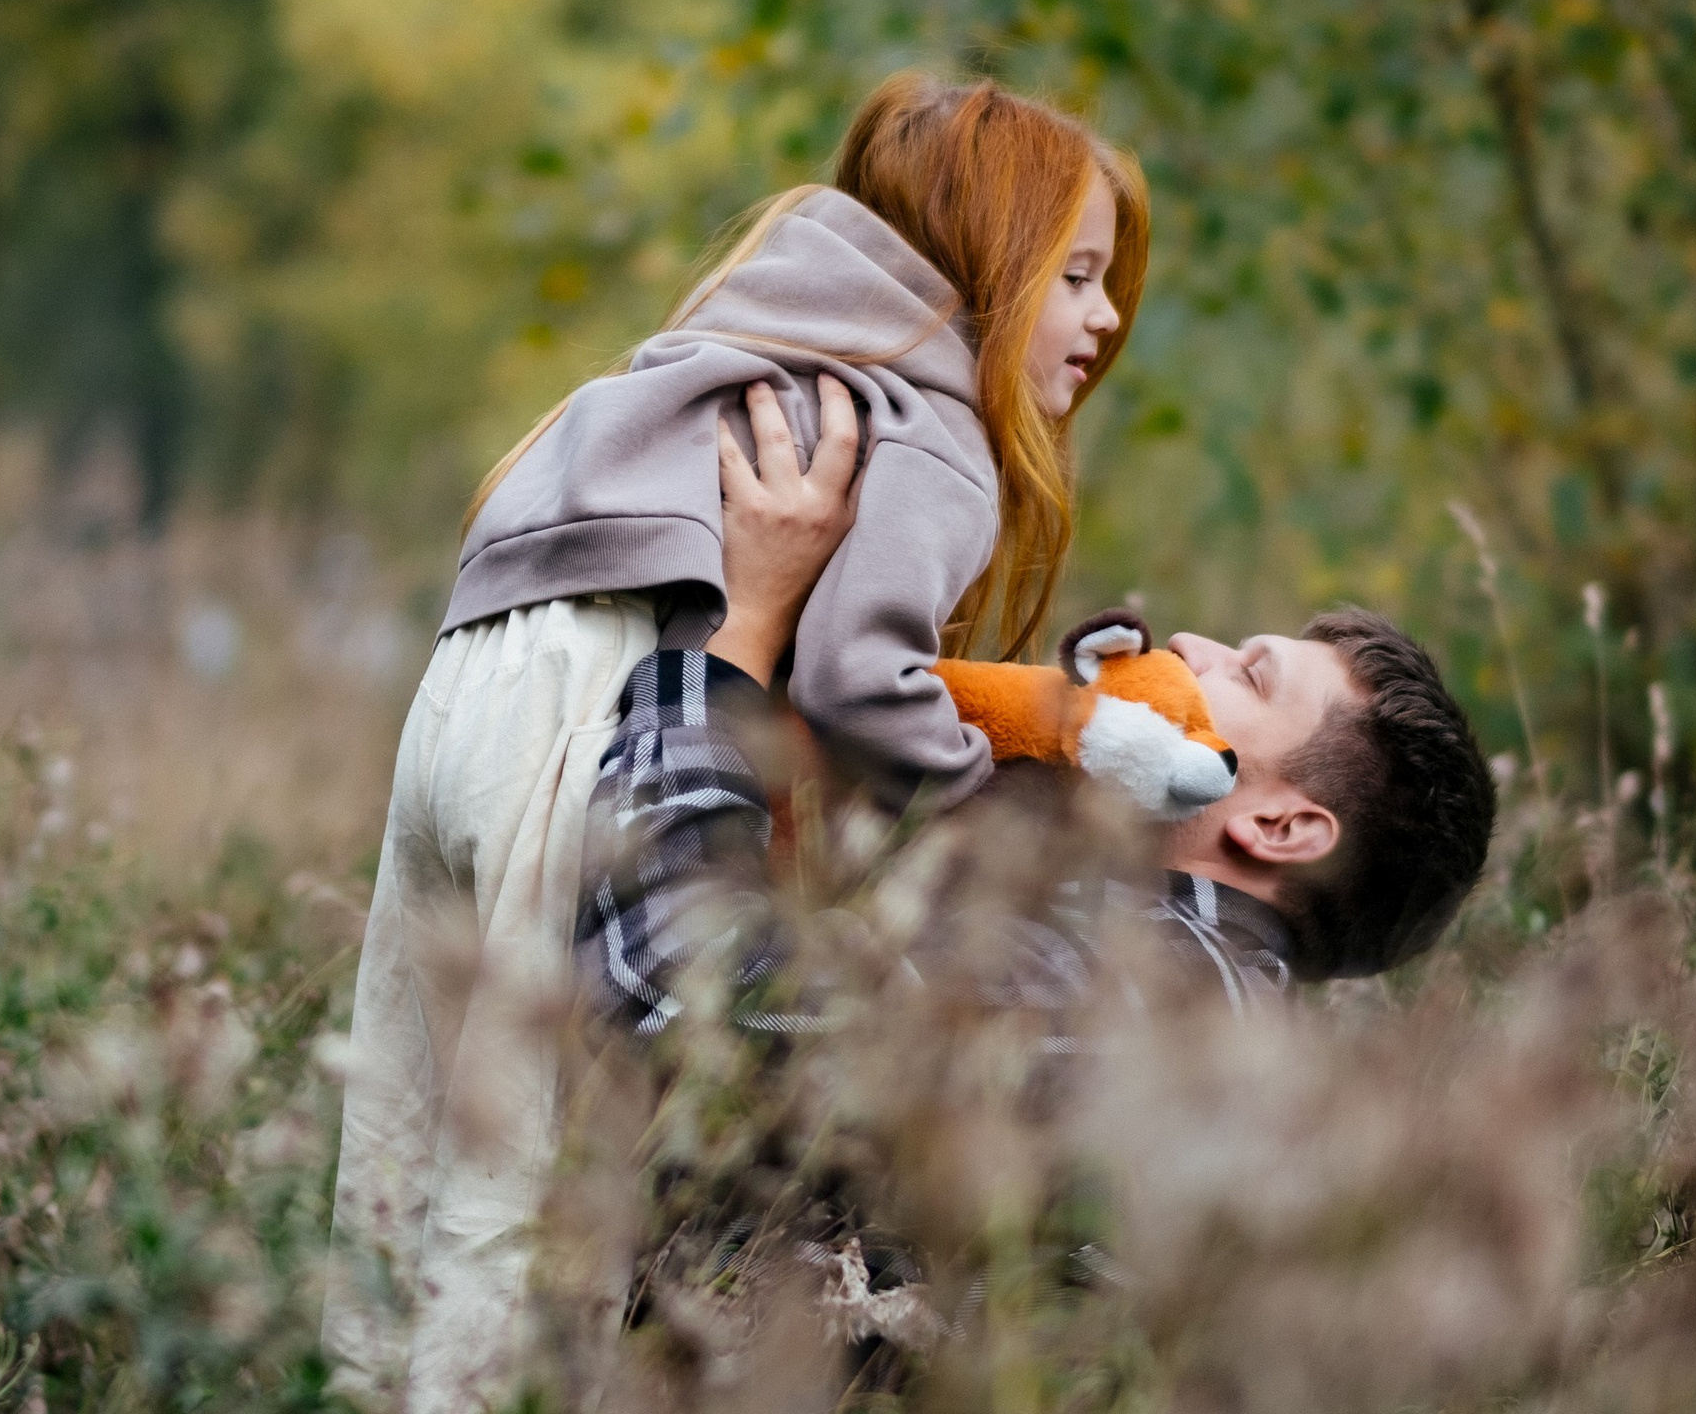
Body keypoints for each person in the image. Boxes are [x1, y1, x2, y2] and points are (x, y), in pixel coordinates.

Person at [327, 73, 1148, 1414]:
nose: (1105, 319)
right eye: (1073, 277)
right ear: (990, 269)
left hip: (470, 675)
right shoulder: (925, 426)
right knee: (523, 1171)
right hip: (595, 704)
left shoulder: (759, 333)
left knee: (404, 1118)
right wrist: (981, 821)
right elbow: (853, 680)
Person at [578, 378, 1497, 1035]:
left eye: (1251, 677)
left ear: (1284, 827)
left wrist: (739, 631)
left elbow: (678, 995)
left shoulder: (1133, 994)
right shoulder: (1150, 969)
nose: (1187, 650)